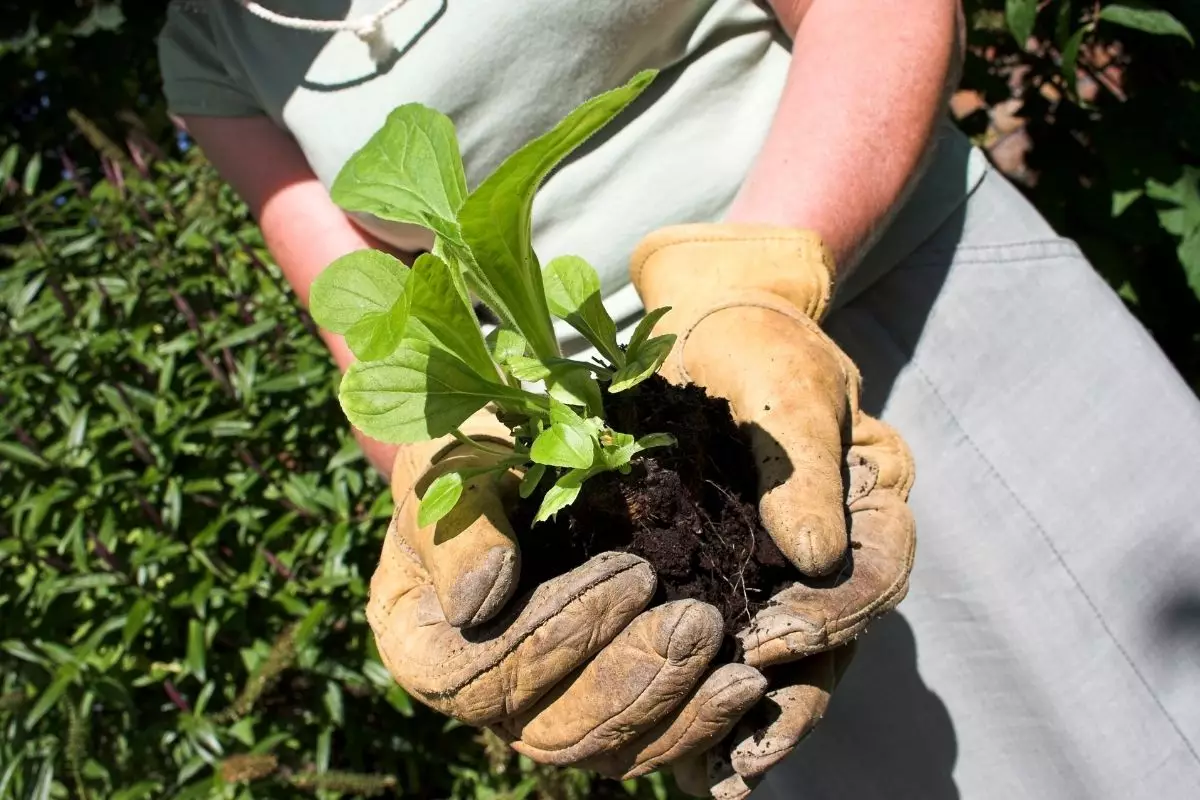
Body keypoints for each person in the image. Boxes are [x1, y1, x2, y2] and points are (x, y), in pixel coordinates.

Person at [157, 1, 1200, 797]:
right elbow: (375, 339)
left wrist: (751, 285)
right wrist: (456, 481)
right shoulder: (206, 38)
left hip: (898, 299)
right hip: (631, 498)